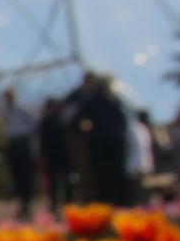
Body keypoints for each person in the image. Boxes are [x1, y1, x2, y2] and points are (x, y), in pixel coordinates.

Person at [73, 71, 133, 207]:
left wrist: (86, 129)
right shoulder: (116, 100)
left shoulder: (91, 101)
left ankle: (105, 207)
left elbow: (76, 121)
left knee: (102, 178)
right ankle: (123, 205)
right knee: (117, 175)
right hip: (117, 142)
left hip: (99, 144)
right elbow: (124, 122)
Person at [0, 88, 40, 218]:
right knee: (16, 174)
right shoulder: (5, 111)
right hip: (12, 143)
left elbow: (34, 123)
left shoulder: (23, 109)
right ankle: (22, 204)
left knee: (26, 174)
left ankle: (28, 203)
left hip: (23, 142)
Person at [37, 95, 72, 211]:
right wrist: (42, 154)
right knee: (53, 182)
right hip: (50, 155)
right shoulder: (44, 122)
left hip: (64, 154)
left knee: (66, 180)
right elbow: (41, 140)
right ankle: (54, 204)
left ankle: (68, 203)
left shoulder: (63, 121)